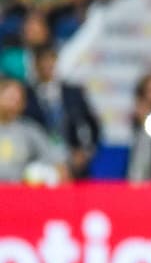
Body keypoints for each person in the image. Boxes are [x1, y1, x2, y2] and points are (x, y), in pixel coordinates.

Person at [24, 44, 101, 180]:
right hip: (40, 161)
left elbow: (92, 123)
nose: (47, 65)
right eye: (42, 61)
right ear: (35, 65)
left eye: (50, 60)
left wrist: (85, 151)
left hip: (72, 158)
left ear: (56, 62)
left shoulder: (73, 92)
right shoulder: (27, 95)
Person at [0, 77, 68, 184]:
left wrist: (47, 174)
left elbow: (59, 167)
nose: (13, 102)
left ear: (23, 104)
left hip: (18, 194)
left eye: (17, 98)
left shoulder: (30, 130)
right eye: (9, 97)